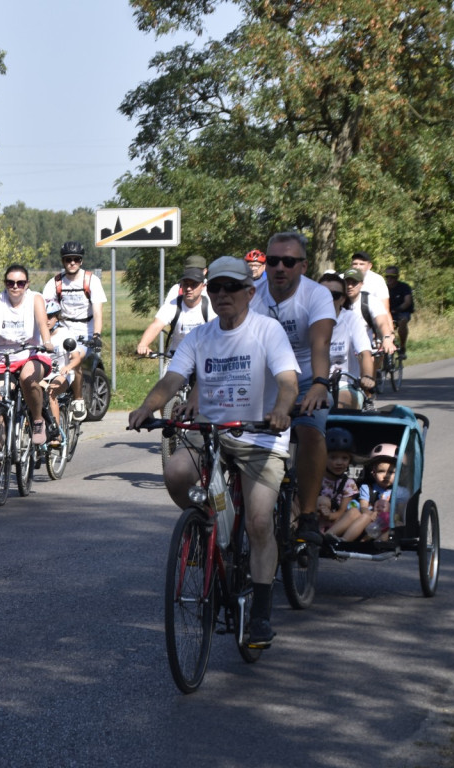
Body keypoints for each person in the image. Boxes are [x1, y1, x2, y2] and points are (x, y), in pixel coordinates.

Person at [129, 255, 299, 648]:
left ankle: (259, 613)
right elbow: (173, 379)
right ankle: (208, 527)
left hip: (259, 439)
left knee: (258, 522)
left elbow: (288, 380)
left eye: (232, 288)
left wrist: (280, 410)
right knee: (175, 473)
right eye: (217, 288)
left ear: (248, 293)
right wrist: (146, 407)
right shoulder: (201, 336)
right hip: (212, 434)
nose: (223, 295)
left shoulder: (267, 331)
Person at [249, 232, 336, 547]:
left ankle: (309, 514)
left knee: (311, 433)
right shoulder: (252, 294)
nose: (279, 268)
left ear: (303, 265)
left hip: (306, 379)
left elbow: (321, 344)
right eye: (273, 261)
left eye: (288, 261)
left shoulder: (317, 295)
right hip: (264, 380)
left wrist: (319, 384)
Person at [0, 264, 54, 456]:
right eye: (10, 282)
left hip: (31, 353)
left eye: (20, 283)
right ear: (5, 284)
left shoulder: (35, 298)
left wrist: (47, 341)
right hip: (3, 356)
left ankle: (38, 420)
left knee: (26, 378)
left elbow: (42, 322)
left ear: (27, 284)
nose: (15, 287)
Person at [42, 241, 106, 421]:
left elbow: (98, 311)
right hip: (63, 326)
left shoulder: (91, 280)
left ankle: (78, 398)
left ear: (81, 261)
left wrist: (96, 335)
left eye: (76, 259)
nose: (72, 263)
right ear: (63, 261)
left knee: (74, 357)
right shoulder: (55, 282)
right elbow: (44, 307)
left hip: (86, 328)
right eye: (68, 259)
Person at [317, 272, 374, 409]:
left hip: (344, 383)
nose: (328, 299)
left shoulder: (351, 319)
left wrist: (367, 376)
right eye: (323, 295)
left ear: (342, 299)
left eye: (334, 295)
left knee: (341, 405)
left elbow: (364, 353)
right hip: (312, 383)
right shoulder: (305, 320)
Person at [136, 264, 211, 358]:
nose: (188, 288)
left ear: (203, 286)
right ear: (181, 285)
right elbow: (156, 325)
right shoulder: (173, 305)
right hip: (177, 357)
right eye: (186, 284)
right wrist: (143, 344)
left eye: (194, 285)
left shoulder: (210, 305)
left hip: (203, 357)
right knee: (170, 373)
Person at [41, 298, 83, 443]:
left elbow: (76, 358)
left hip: (61, 374)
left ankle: (55, 434)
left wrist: (68, 367)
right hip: (41, 376)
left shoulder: (65, 334)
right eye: (43, 316)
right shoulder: (36, 334)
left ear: (57, 317)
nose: (47, 320)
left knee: (51, 392)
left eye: (50, 316)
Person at [347, 444, 398, 542]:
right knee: (363, 516)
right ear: (373, 473)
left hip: (388, 523)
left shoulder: (399, 491)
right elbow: (363, 507)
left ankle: (377, 542)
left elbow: (400, 511)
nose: (386, 476)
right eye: (381, 471)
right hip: (370, 520)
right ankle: (347, 541)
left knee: (395, 522)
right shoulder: (367, 488)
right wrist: (370, 513)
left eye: (391, 472)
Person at [317, 428, 362, 540]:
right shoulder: (316, 478)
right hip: (316, 520)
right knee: (322, 500)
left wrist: (330, 515)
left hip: (336, 523)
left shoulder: (349, 483)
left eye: (344, 458)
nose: (339, 462)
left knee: (354, 512)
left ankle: (327, 538)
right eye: (333, 457)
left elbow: (342, 511)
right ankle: (316, 535)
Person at [343, 267, 397, 356]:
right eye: (347, 282)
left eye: (354, 283)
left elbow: (382, 322)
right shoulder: (337, 301)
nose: (350, 286)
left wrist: (387, 338)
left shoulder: (371, 301)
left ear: (361, 284)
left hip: (365, 348)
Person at [385, 266, 413, 358]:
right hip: (387, 313)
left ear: (397, 276)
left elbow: (407, 302)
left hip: (401, 312)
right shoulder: (383, 288)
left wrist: (397, 309)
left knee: (403, 321)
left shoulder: (404, 287)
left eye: (392, 276)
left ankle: (402, 346)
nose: (389, 279)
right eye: (387, 276)